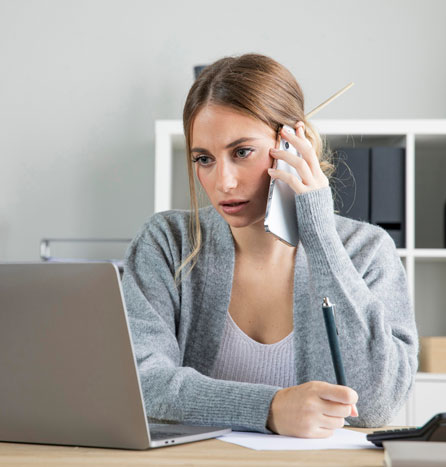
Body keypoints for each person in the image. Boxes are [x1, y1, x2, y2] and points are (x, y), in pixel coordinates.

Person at [121, 53, 418, 438]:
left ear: (294, 145)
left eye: (241, 152)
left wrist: (320, 234)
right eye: (204, 159)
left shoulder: (366, 250)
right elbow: (142, 385)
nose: (223, 181)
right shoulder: (167, 243)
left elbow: (376, 406)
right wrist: (269, 408)